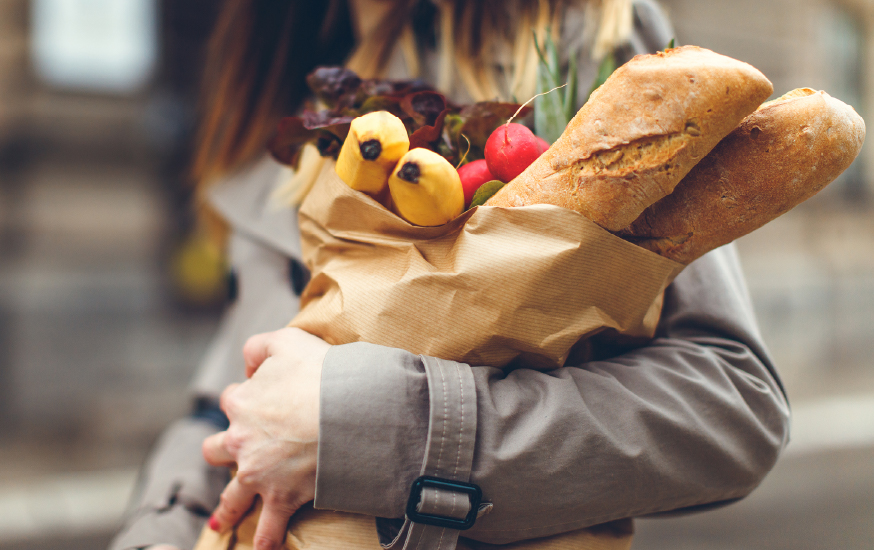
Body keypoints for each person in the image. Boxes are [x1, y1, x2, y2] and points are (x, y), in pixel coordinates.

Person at [109, 1, 791, 549]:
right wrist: (161, 527)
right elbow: (227, 400)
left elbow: (729, 406)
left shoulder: (580, 37)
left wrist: (369, 431)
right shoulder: (270, 73)